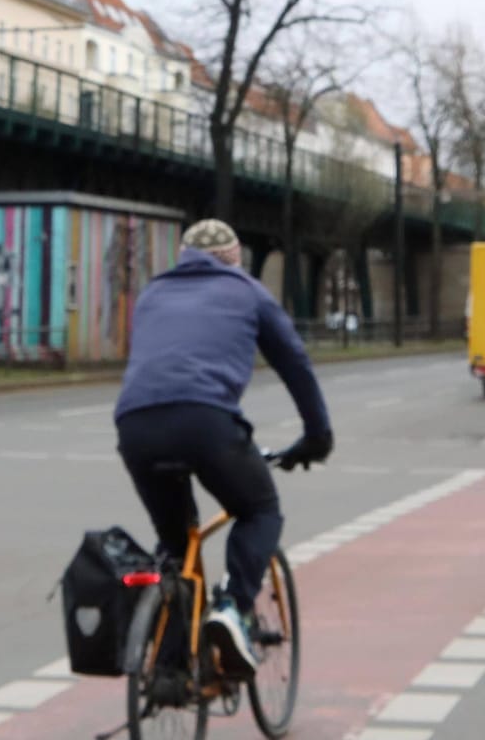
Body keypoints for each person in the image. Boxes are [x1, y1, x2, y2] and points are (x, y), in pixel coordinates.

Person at [114, 219, 333, 678]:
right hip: (205, 421)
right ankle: (232, 610)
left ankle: (170, 671)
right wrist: (317, 437)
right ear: (236, 257)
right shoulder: (248, 291)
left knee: (175, 542)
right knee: (259, 510)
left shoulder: (153, 294)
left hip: (135, 424)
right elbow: (294, 362)